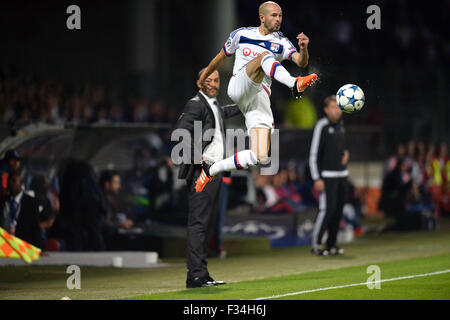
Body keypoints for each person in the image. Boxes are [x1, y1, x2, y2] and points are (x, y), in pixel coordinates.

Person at [194, 1, 318, 193]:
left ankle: (211, 169)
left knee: (259, 155)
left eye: (280, 16)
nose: (278, 19)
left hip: (259, 99)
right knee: (264, 58)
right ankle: (294, 84)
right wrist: (204, 75)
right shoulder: (241, 34)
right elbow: (221, 57)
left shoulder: (282, 42)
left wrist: (304, 49)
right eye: (274, 15)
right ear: (262, 17)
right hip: (239, 86)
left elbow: (301, 62)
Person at [174, 68, 241, 288]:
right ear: (199, 82)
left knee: (207, 225)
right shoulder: (195, 104)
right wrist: (200, 162)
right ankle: (195, 275)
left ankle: (202, 274)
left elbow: (225, 111)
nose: (213, 83)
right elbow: (180, 133)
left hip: (215, 171)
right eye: (208, 80)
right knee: (199, 224)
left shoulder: (211, 105)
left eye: (216, 80)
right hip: (202, 172)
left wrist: (250, 103)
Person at [309, 95, 349, 256]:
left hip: (342, 174)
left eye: (338, 107)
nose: (337, 110)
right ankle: (316, 244)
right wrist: (316, 177)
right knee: (327, 210)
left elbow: (341, 148)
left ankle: (331, 244)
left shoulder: (341, 126)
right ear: (326, 110)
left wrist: (346, 153)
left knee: (339, 210)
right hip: (327, 176)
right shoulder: (322, 126)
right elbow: (313, 154)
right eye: (333, 107)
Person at [0, 172, 41, 248]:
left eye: (14, 181)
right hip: (4, 245)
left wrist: (39, 248)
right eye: (9, 181)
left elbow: (35, 227)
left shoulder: (31, 202)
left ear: (21, 183)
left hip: (23, 246)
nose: (10, 184)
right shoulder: (3, 201)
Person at [99, 170, 134, 249]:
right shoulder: (100, 201)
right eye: (116, 183)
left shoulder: (111, 199)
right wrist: (120, 225)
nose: (119, 186)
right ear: (107, 184)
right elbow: (102, 222)